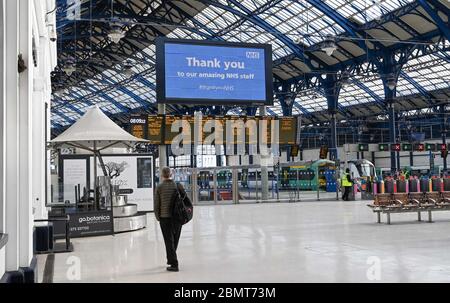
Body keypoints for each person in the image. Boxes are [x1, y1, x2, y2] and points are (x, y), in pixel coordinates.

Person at [154, 167, 185, 272]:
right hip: (178, 218)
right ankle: (171, 258)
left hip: (165, 218)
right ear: (171, 174)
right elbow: (184, 200)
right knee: (175, 239)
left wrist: (158, 216)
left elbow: (157, 204)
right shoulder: (178, 185)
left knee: (168, 241)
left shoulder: (159, 187)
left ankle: (174, 263)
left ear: (162, 175)